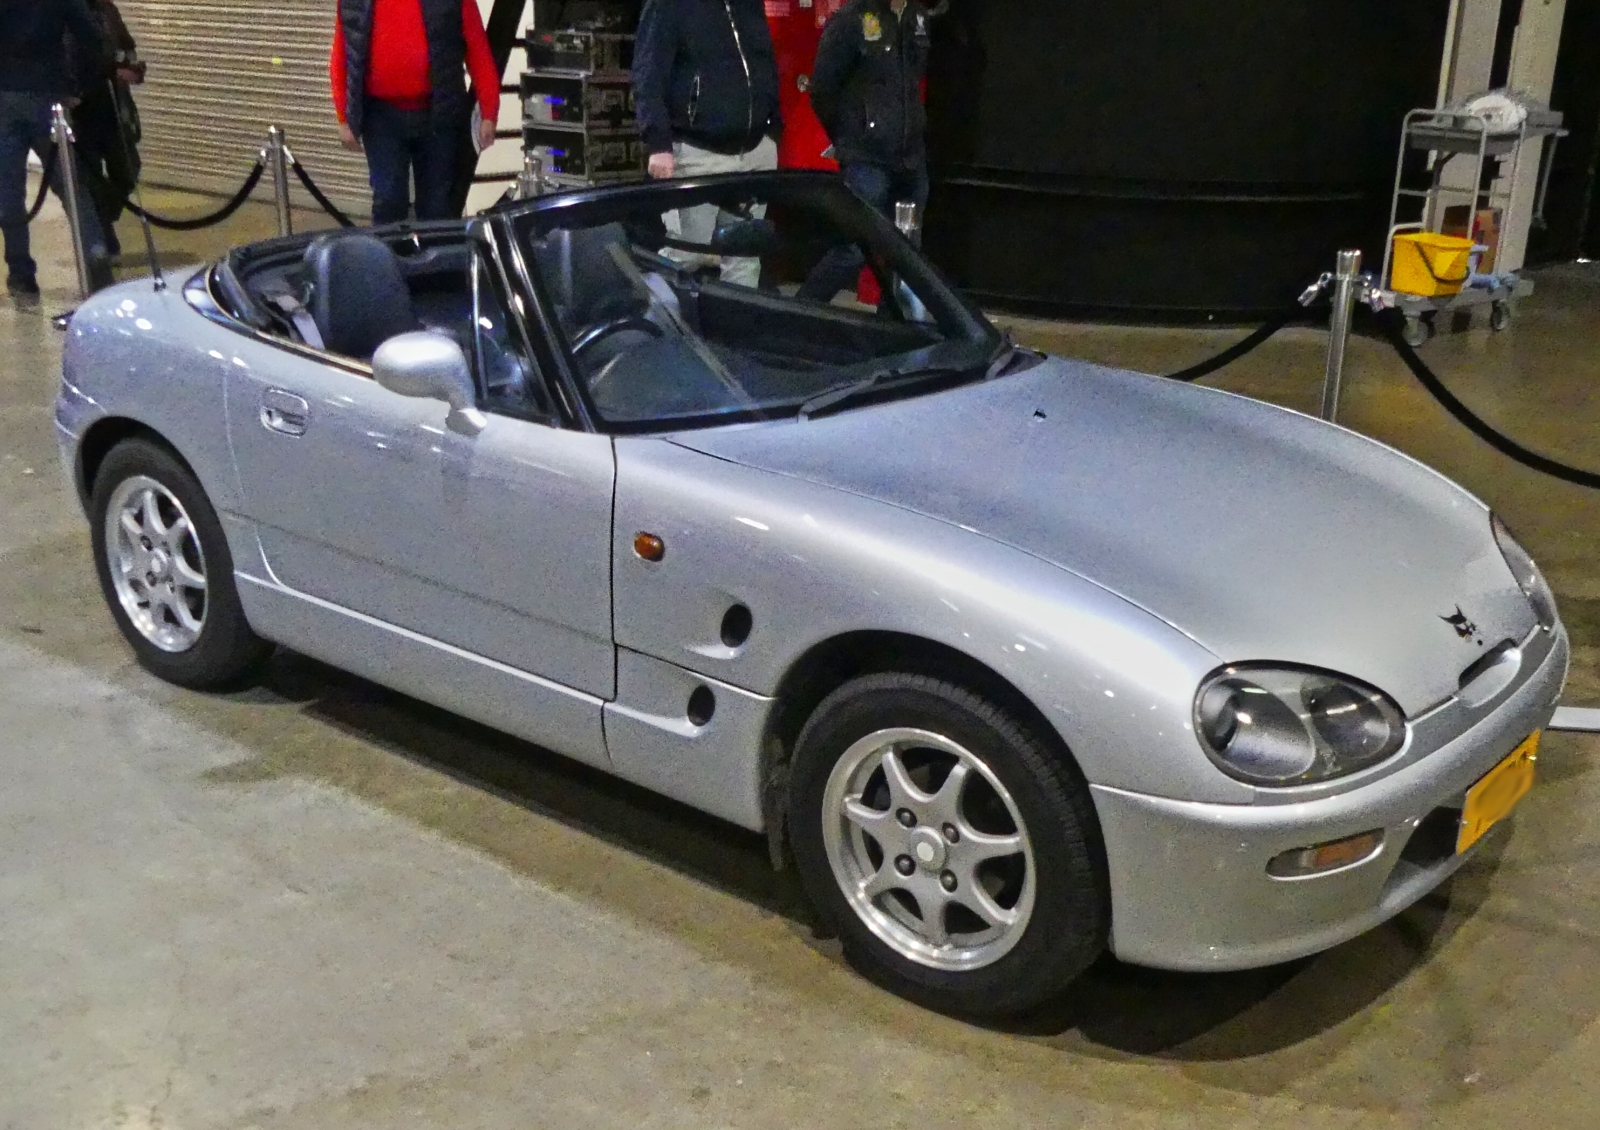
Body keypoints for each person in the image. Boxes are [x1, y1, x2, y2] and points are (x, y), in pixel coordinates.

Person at [632, 0, 782, 286]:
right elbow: (648, 75)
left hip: (754, 153)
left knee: (745, 257)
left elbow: (765, 65)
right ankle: (650, 322)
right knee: (686, 254)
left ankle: (735, 330)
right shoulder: (668, 5)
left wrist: (772, 130)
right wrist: (658, 144)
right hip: (697, 153)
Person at [798, 0, 931, 304]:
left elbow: (911, 82)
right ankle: (801, 310)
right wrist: (851, 138)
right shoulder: (851, 19)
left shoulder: (918, 18)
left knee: (907, 255)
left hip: (911, 159)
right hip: (866, 160)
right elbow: (822, 89)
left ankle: (892, 331)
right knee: (853, 251)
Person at [330, 0, 501, 224]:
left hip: (438, 114)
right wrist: (344, 117)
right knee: (388, 200)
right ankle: (388, 258)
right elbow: (343, 54)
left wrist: (489, 111)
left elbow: (477, 48)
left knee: (437, 207)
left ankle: (435, 258)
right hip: (381, 117)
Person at [1, 0, 115, 299]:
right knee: (73, 187)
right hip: (49, 95)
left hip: (3, 98)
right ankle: (97, 267)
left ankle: (21, 276)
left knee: (9, 193)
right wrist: (79, 87)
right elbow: (91, 36)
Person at [68, 0, 145, 259]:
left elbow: (127, 48)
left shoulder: (107, 9)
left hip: (113, 106)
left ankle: (102, 219)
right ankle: (102, 234)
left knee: (127, 169)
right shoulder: (61, 11)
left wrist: (133, 70)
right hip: (81, 109)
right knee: (90, 178)